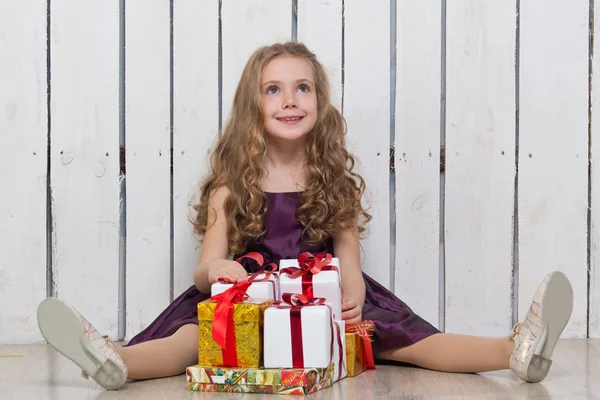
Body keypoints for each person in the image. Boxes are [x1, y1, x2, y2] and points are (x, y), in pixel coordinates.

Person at [36, 42, 574, 390]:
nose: (290, 100)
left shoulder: (328, 178)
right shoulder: (232, 184)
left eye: (302, 88)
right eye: (273, 89)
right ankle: (115, 362)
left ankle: (516, 350)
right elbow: (205, 268)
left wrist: (355, 287)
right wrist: (217, 275)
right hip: (249, 296)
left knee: (407, 340)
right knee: (192, 340)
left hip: (319, 294)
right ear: (254, 105)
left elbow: (349, 256)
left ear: (320, 101)